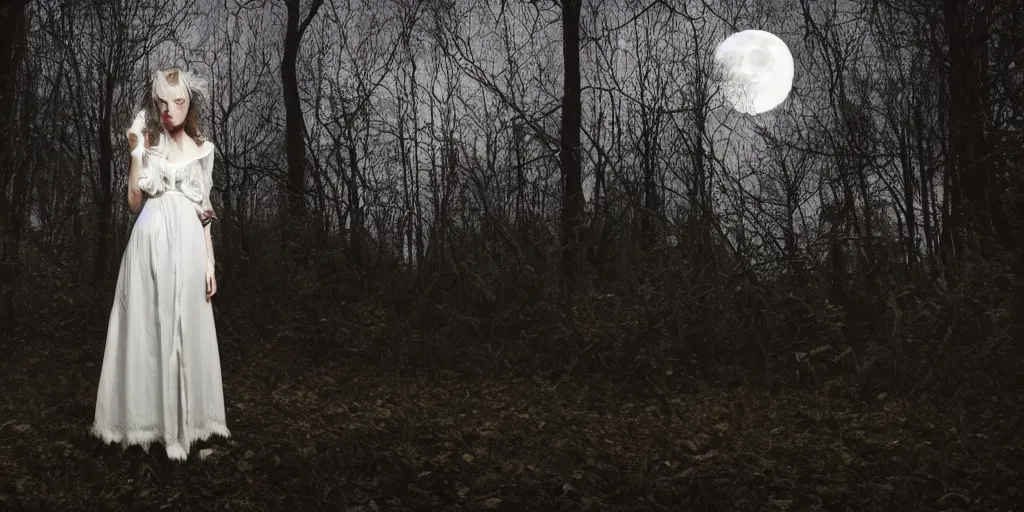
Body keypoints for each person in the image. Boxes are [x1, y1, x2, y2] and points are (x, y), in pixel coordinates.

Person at [91, 67, 229, 461]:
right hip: (148, 247)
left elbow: (204, 209)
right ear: (156, 104)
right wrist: (136, 151)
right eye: (163, 104)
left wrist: (210, 264)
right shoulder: (150, 146)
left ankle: (187, 430)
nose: (171, 111)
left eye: (179, 102)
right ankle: (149, 427)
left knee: (185, 328)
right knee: (150, 329)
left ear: (190, 103)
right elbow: (134, 203)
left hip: (188, 248)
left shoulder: (205, 150)